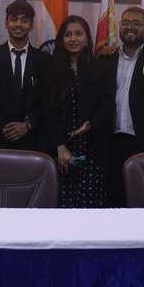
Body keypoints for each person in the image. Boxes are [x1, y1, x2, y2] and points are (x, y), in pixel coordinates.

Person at [101, 7, 144, 207]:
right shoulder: (106, 59)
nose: (130, 27)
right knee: (113, 201)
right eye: (126, 22)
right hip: (111, 143)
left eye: (136, 23)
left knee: (143, 201)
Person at [44, 16, 114, 208]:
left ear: (87, 38)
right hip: (61, 149)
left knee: (90, 207)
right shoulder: (51, 68)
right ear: (61, 39)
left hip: (92, 149)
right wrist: (59, 145)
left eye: (78, 34)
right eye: (68, 35)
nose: (73, 39)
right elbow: (48, 111)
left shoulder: (101, 67)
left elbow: (108, 104)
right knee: (63, 207)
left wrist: (91, 124)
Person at [0, 0, 50, 151]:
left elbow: (48, 101)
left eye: (24, 20)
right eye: (13, 19)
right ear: (6, 23)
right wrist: (4, 127)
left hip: (33, 141)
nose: (18, 24)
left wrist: (28, 125)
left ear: (31, 25)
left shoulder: (44, 60)